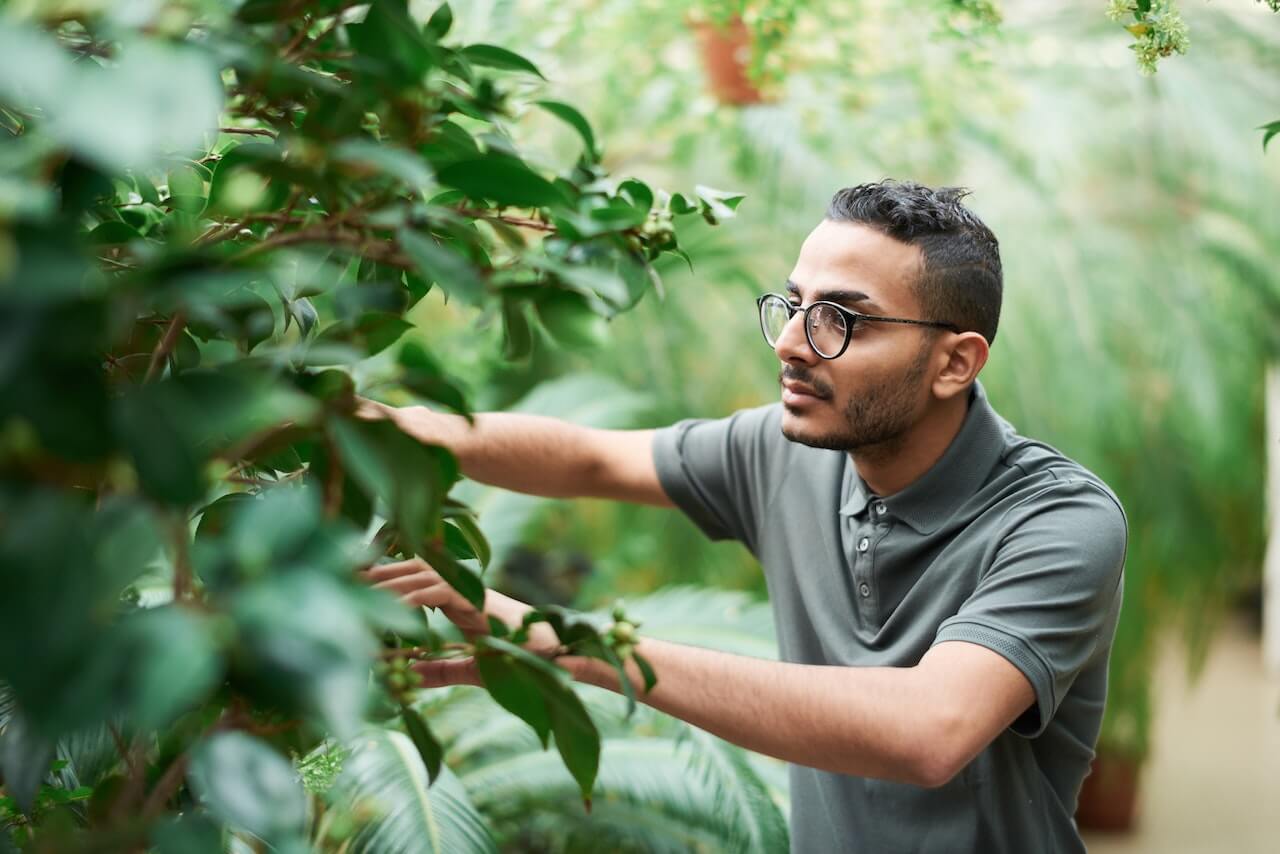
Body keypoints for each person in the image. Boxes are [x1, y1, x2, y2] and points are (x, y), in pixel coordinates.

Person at [359, 180, 1127, 853]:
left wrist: (550, 639)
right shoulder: (787, 449)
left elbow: (926, 733)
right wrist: (385, 425)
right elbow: (591, 458)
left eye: (840, 320)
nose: (793, 343)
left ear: (954, 363)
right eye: (793, 306)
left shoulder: (1059, 521)